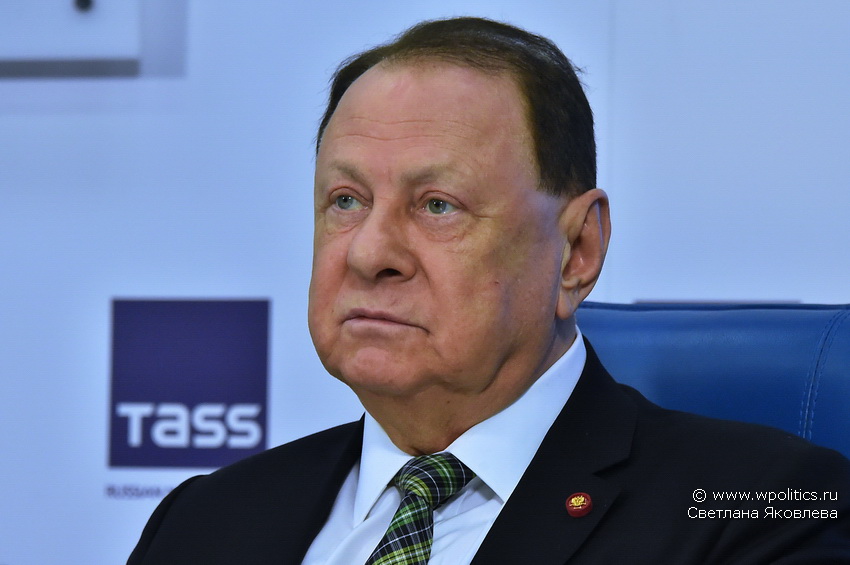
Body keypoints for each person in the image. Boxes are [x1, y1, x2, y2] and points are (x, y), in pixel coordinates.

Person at [128, 17, 850, 564]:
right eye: (346, 201)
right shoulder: (203, 522)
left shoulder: (768, 507)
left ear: (577, 251)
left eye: (437, 205)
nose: (370, 252)